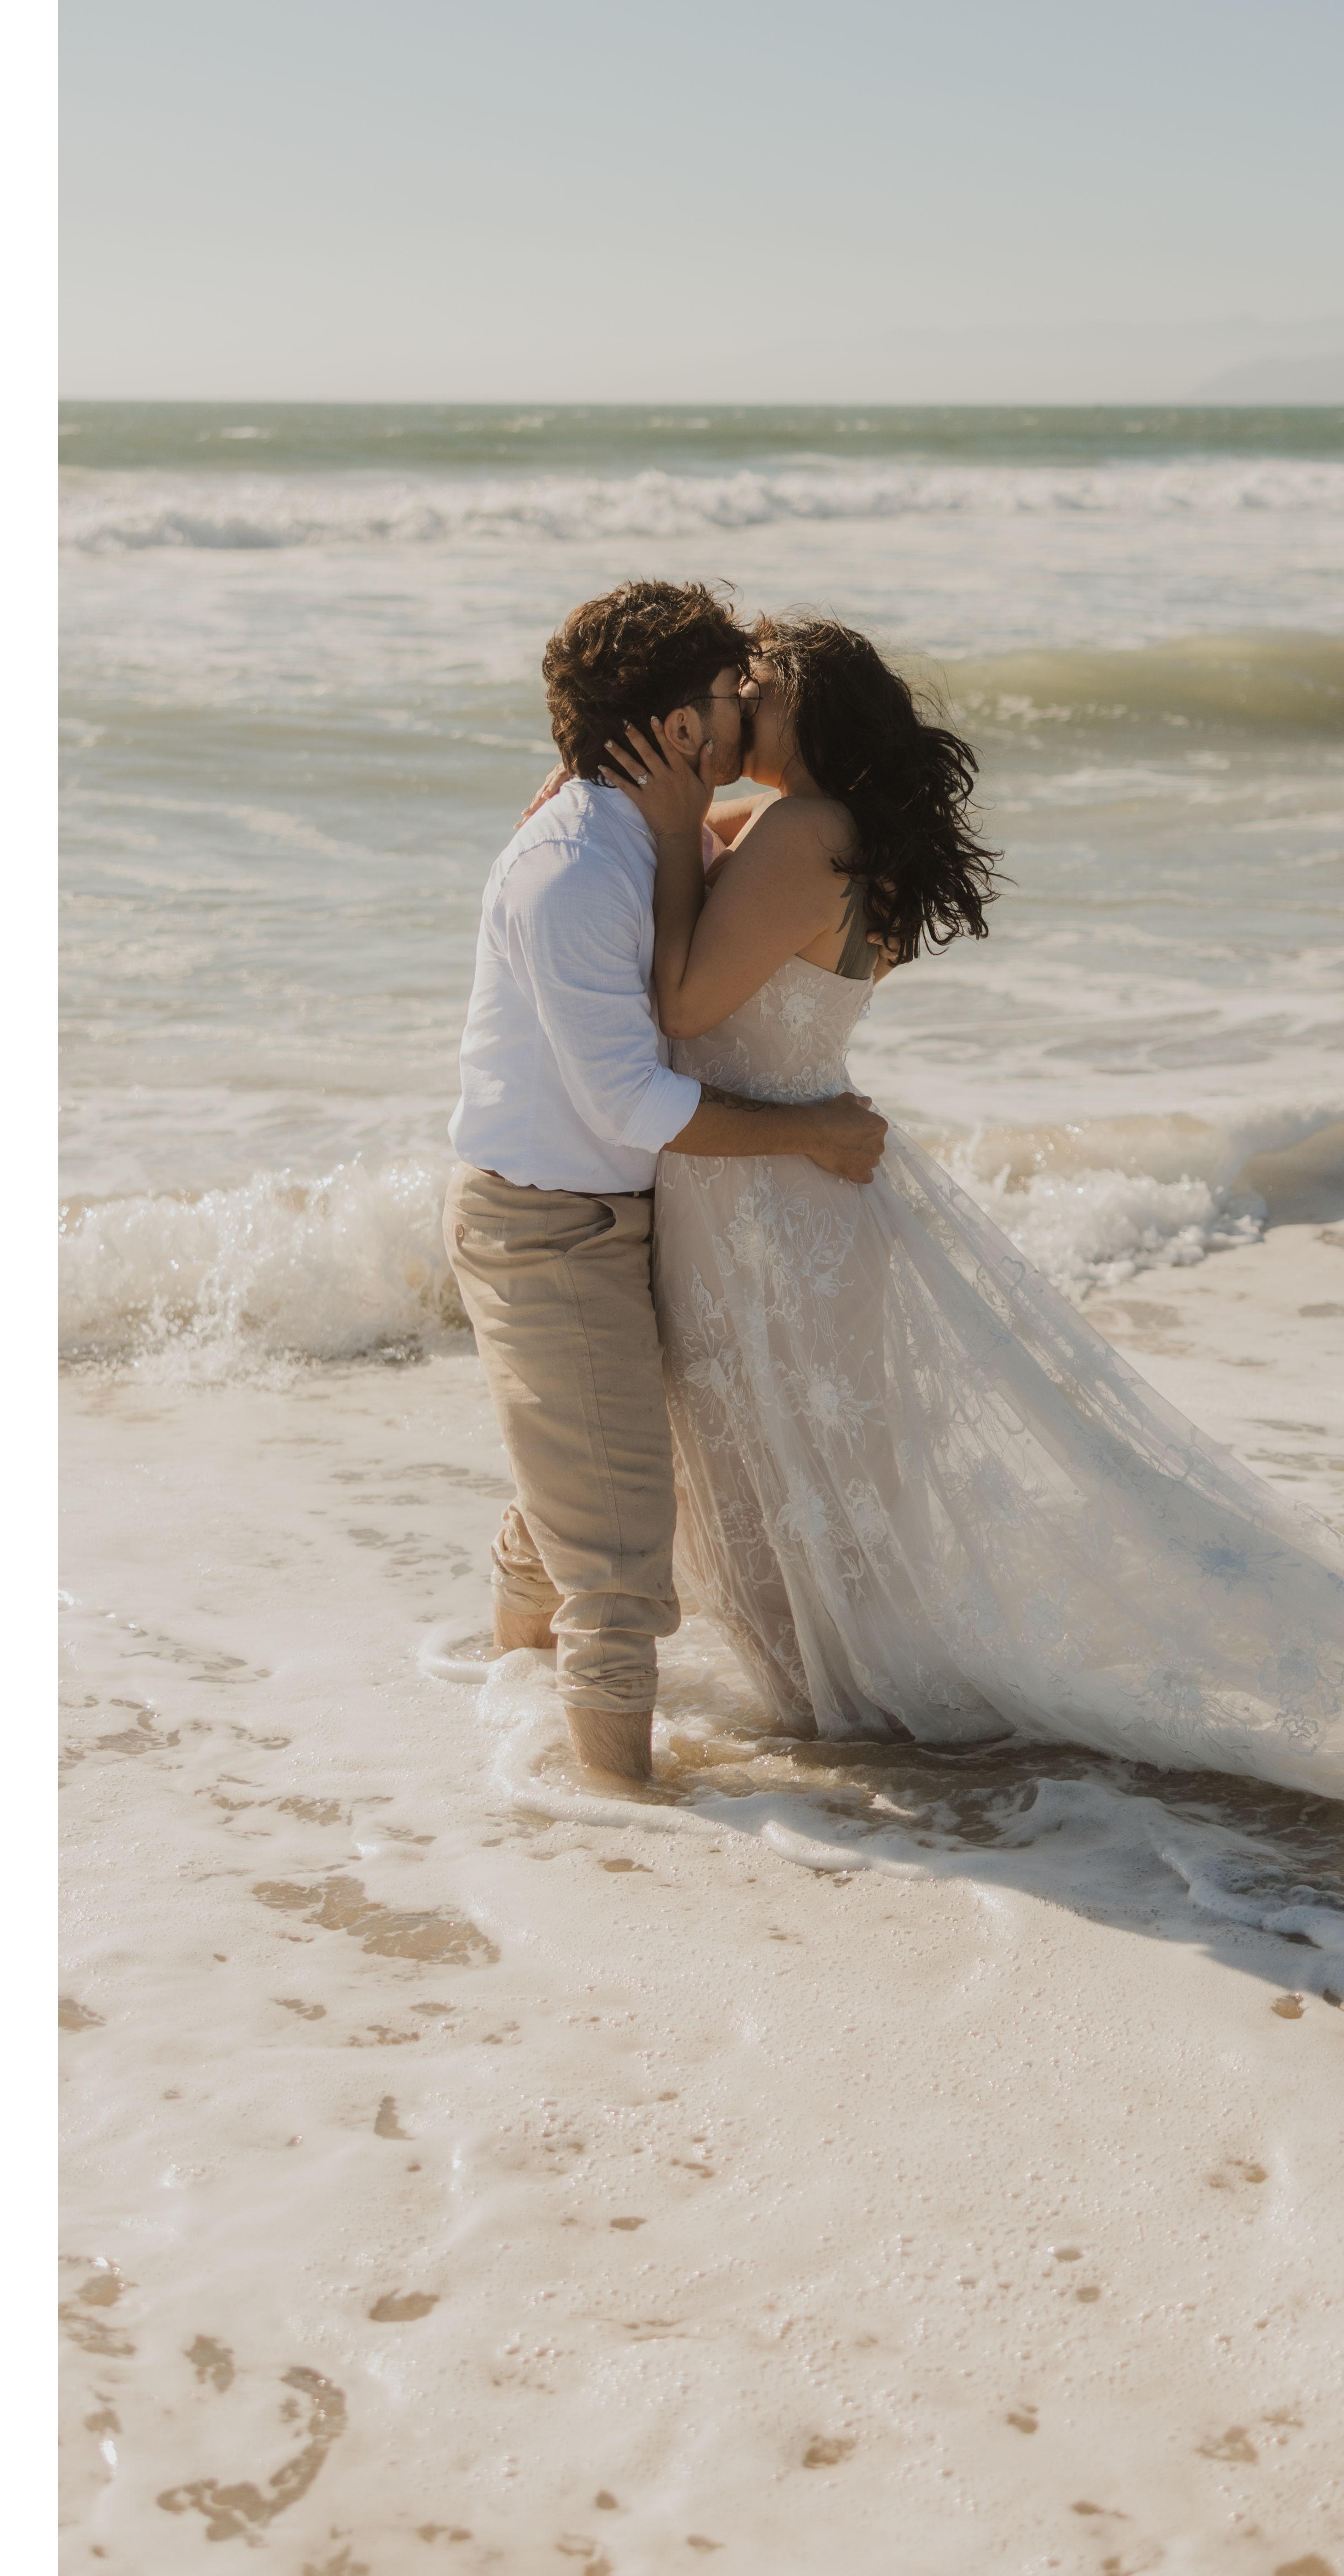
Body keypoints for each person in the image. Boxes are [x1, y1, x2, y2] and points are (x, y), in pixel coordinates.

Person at [600, 616, 1344, 1810]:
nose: (728, 707)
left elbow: (684, 998)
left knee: (776, 1478)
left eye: (752, 687)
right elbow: (709, 877)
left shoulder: (802, 830)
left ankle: (852, 1739)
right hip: (797, 1194)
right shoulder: (841, 835)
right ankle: (854, 1721)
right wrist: (642, 808)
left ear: (808, 707)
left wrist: (665, 825)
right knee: (811, 1480)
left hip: (765, 1202)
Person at [443, 580, 887, 1800]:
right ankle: (618, 1831)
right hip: (547, 1225)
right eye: (734, 694)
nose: (748, 706)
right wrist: (811, 1132)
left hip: (633, 1211)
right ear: (684, 728)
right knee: (623, 1561)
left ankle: (504, 1694)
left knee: (578, 1491)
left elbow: (784, 837)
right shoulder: (575, 869)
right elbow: (631, 1104)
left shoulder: (661, 825)